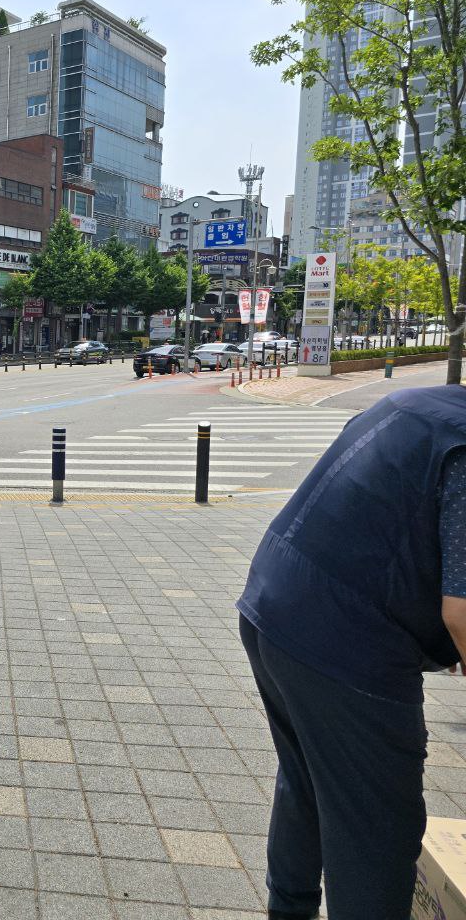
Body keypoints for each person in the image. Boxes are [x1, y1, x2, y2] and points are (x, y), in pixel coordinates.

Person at [237, 385, 466, 920]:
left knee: (307, 779)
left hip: (274, 601)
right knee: (376, 823)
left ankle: (288, 910)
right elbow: (461, 611)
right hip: (348, 640)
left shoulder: (416, 405)